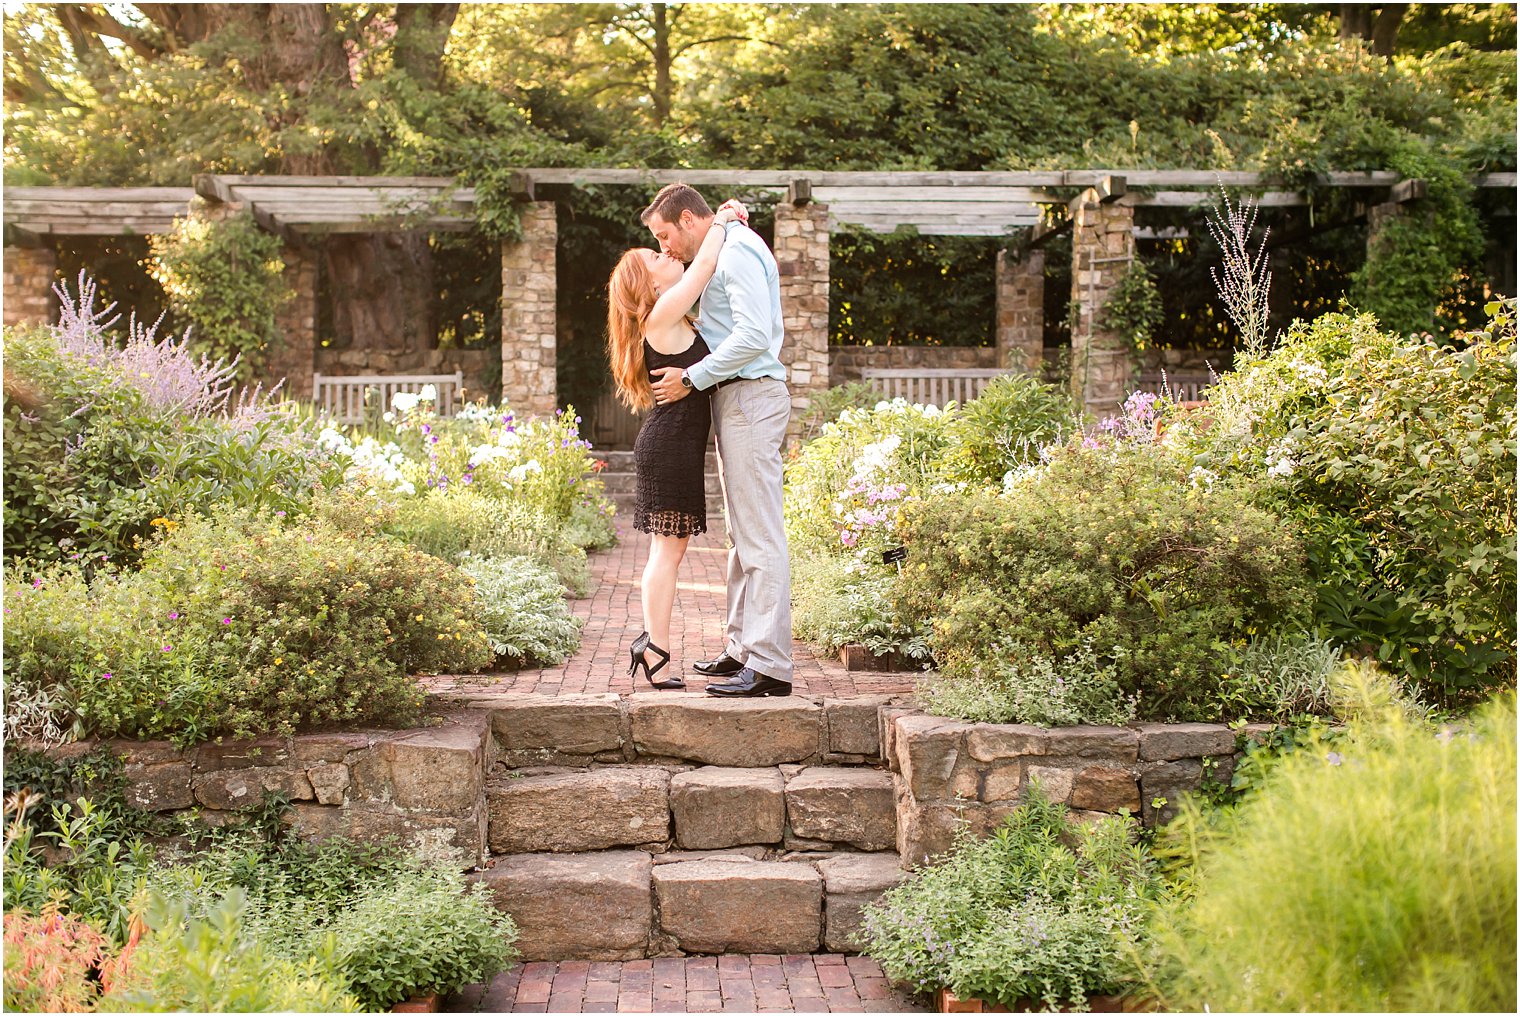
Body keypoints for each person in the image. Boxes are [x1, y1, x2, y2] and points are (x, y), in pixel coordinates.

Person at [644, 183, 794, 698]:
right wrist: (727, 216)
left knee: (760, 535)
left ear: (688, 219)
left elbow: (753, 336)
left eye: (664, 236)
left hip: (751, 396)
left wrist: (692, 378)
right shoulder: (721, 247)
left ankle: (770, 665)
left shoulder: (739, 252)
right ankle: (741, 649)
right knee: (741, 536)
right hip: (736, 401)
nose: (665, 249)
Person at [605, 199, 748, 689]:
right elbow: (704, 265)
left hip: (674, 445)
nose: (665, 255)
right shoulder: (664, 311)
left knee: (669, 551)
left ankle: (653, 643)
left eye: (661, 248)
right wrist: (724, 220)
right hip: (668, 447)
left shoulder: (675, 315)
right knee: (667, 554)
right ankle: (655, 647)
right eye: (655, 257)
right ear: (650, 285)